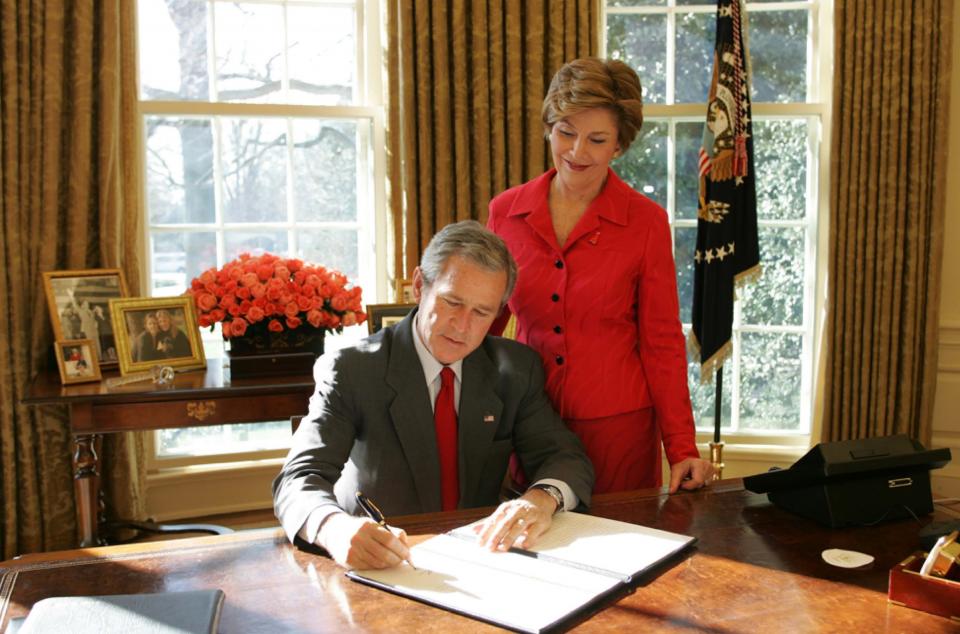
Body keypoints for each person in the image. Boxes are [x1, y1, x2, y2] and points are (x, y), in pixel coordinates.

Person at [273, 220, 594, 570]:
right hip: (385, 561)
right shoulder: (352, 369)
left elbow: (565, 457)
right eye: (452, 302)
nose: (462, 325)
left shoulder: (515, 369)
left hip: (482, 560)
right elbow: (298, 479)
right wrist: (333, 529)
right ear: (418, 286)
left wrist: (540, 499)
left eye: (481, 312)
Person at [487, 57, 714, 495]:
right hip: (529, 419)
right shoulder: (506, 212)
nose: (577, 152)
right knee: (532, 544)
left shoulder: (646, 223)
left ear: (619, 146)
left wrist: (681, 446)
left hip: (620, 429)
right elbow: (486, 322)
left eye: (596, 139)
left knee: (618, 546)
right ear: (548, 127)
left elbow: (661, 341)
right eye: (566, 132)